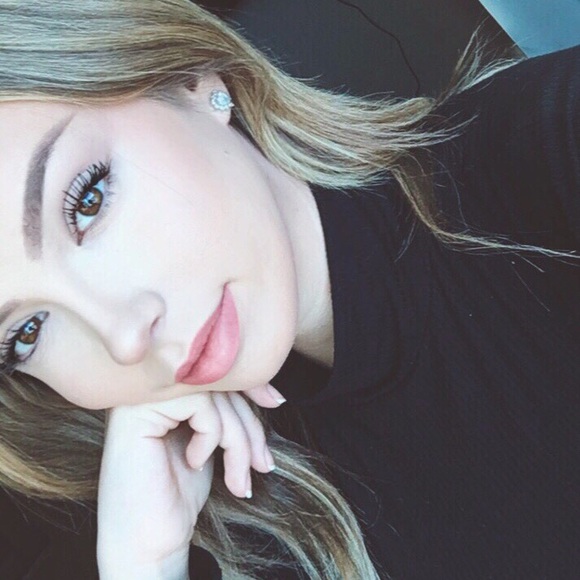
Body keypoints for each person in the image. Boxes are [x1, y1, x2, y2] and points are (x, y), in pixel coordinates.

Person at [0, 1, 578, 578]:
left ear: (192, 80)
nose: (124, 339)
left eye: (88, 199)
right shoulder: (235, 502)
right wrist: (143, 566)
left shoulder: (545, 153)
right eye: (25, 332)